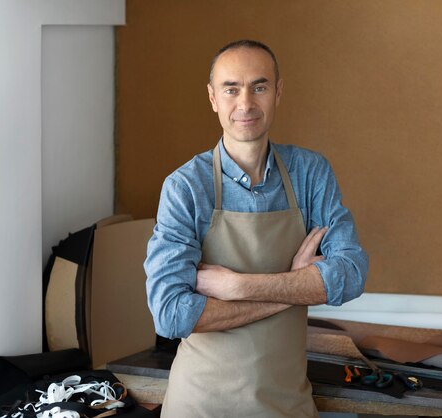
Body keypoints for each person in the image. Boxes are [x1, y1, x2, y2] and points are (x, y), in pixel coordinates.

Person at [144, 39, 369, 417]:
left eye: (259, 87)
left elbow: (351, 274)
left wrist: (238, 286)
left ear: (277, 92)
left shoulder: (310, 173)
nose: (245, 104)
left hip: (286, 403)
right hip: (200, 405)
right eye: (231, 89)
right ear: (213, 97)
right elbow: (172, 314)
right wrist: (292, 288)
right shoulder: (186, 187)